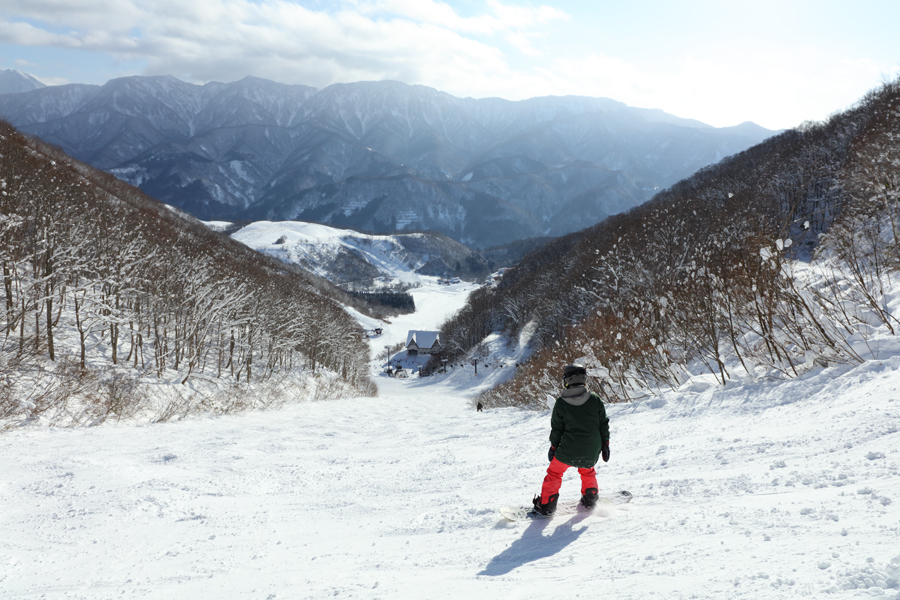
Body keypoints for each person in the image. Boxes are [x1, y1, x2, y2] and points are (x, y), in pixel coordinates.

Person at [532, 364, 610, 516]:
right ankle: (590, 498)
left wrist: (553, 447)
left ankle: (547, 504)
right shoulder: (595, 399)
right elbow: (603, 424)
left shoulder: (561, 403)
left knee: (554, 473)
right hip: (591, 448)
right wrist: (605, 445)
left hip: (568, 450)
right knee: (587, 469)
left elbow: (557, 429)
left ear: (567, 380)